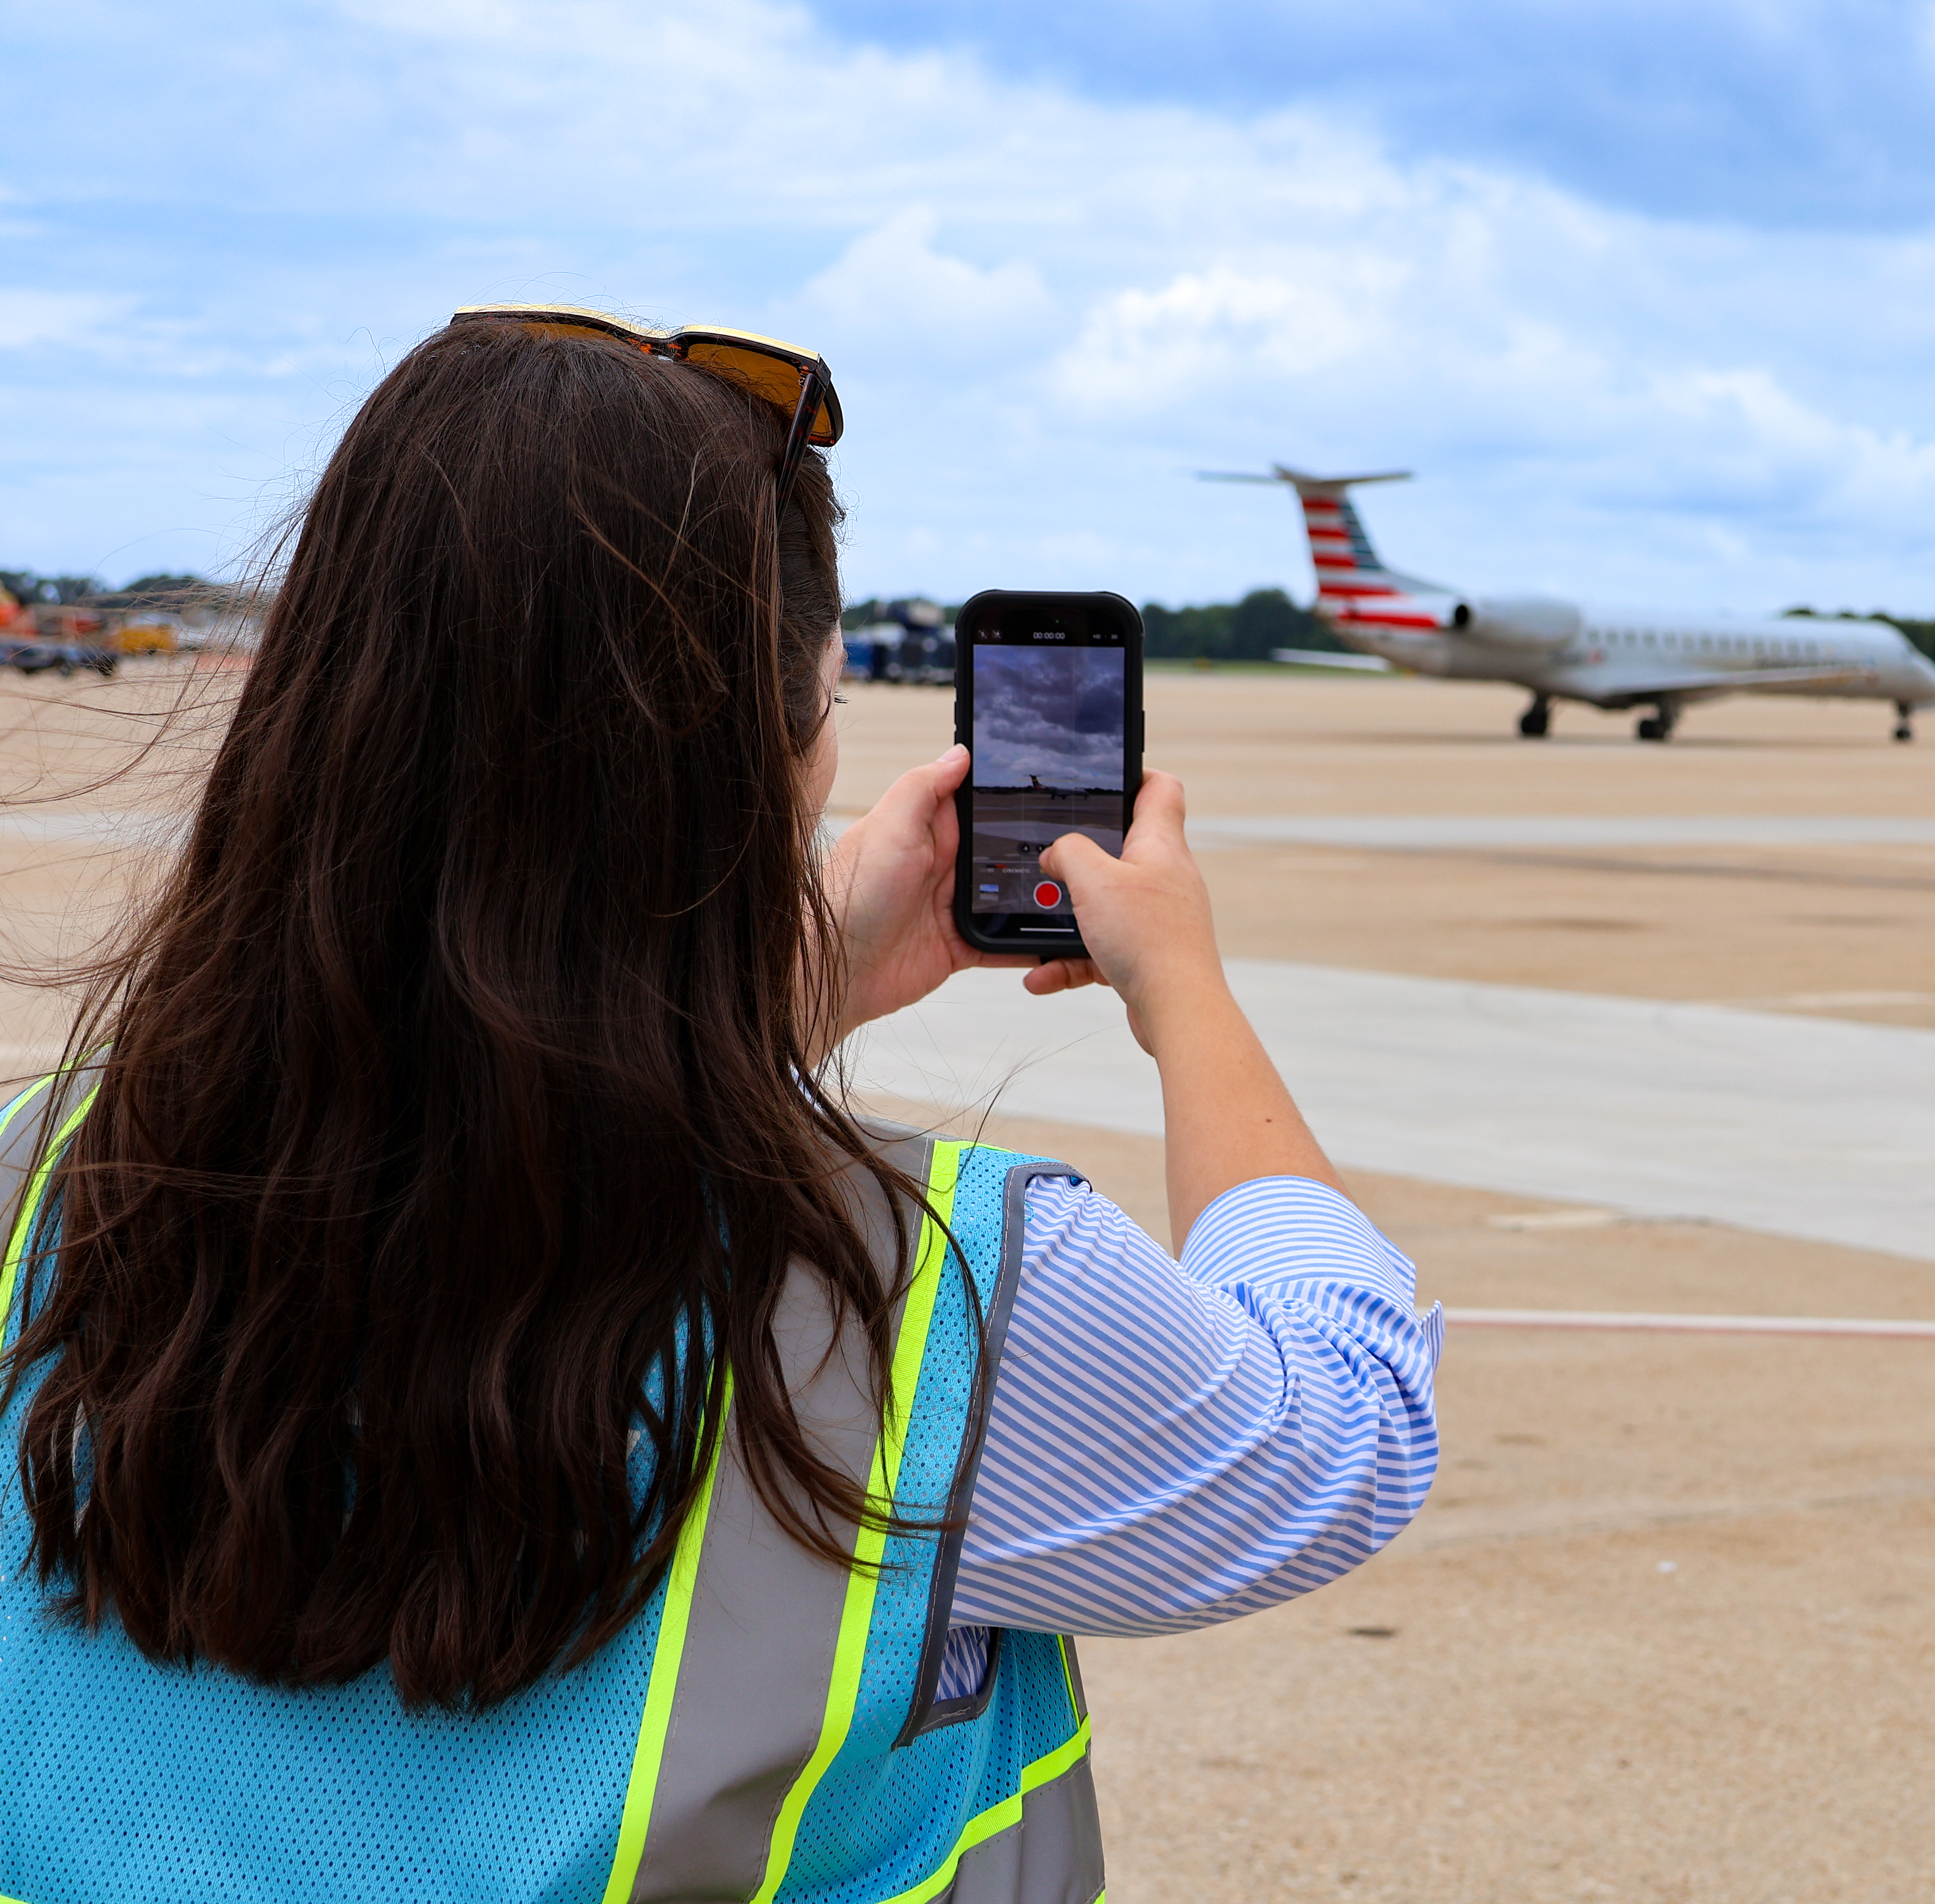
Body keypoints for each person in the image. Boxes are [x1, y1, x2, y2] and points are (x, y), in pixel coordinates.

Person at [0, 312, 1439, 1902]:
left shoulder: (39, 1181)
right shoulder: (939, 1298)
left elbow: (478, 1142)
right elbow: (1342, 1430)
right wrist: (1189, 995)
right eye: (820, 707)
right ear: (759, 762)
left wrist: (792, 986)